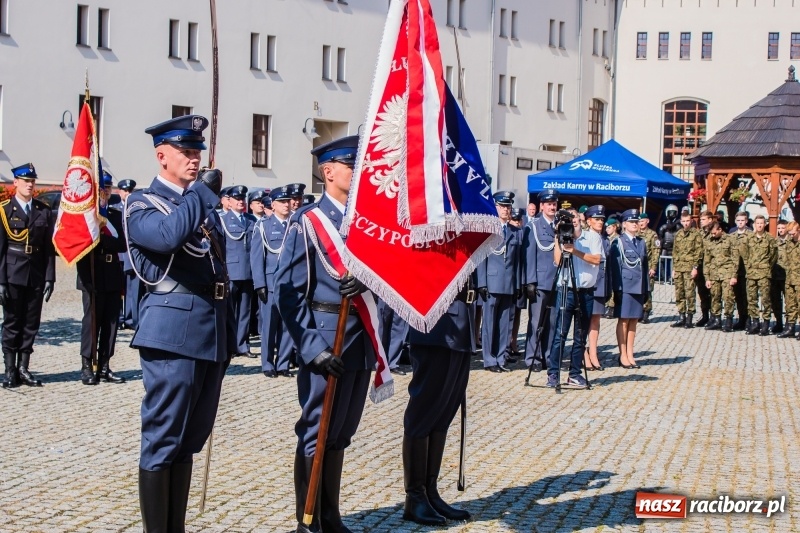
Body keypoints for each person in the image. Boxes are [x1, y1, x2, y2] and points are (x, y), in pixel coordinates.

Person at [126, 114, 229, 531]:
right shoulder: (142, 203)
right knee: (164, 439)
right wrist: (202, 193)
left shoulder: (196, 204)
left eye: (197, 153)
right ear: (161, 156)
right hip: (172, 333)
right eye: (185, 152)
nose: (194, 159)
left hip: (210, 330)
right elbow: (168, 236)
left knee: (190, 439)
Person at [274, 135, 374, 533]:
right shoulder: (309, 222)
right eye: (352, 165)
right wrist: (312, 348)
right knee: (317, 431)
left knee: (342, 432)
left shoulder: (363, 221)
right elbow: (289, 291)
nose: (359, 172)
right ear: (328, 171)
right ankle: (308, 519)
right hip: (325, 335)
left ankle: (330, 516)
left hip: (360, 336)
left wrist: (366, 284)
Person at [402, 291, 474, 526]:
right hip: (436, 321)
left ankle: (429, 491)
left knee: (443, 414)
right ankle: (415, 497)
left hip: (459, 320)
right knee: (423, 414)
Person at [0, 163, 55, 389]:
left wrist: (50, 277)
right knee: (12, 322)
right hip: (12, 273)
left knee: (31, 323)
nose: (30, 185)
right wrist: (0, 281)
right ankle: (10, 370)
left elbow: (49, 248)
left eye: (32, 181)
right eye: (26, 181)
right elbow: (0, 249)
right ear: (16, 183)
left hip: (36, 274)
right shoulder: (4, 210)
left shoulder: (43, 210)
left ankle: (24, 368)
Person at [76, 170, 127, 385]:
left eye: (108, 187)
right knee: (91, 321)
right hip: (92, 274)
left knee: (111, 322)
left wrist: (103, 241)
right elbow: (80, 247)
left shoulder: (114, 215)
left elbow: (122, 243)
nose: (105, 192)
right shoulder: (87, 216)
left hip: (112, 272)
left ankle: (105, 364)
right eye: (102, 188)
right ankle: (87, 365)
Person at [546, 206, 603, 388]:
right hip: (567, 291)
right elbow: (557, 261)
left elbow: (596, 260)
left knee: (580, 336)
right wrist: (558, 239)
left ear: (581, 219)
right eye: (569, 219)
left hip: (585, 293)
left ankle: (575, 374)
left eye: (575, 217)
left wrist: (575, 251)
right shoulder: (562, 236)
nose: (573, 221)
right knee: (559, 335)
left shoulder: (593, 237)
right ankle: (553, 374)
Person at [251, 186, 295, 378]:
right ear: (274, 204)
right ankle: (268, 363)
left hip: (291, 284)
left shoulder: (295, 225)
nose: (286, 205)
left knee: (287, 325)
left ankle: (283, 363)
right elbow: (256, 257)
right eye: (282, 202)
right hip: (270, 284)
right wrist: (259, 284)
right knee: (269, 326)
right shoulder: (263, 226)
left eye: (288, 201)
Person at [476, 190, 522, 373]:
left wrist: (517, 285)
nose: (506, 209)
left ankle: (501, 357)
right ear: (495, 207)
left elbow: (518, 261)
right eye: (502, 206)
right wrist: (481, 283)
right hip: (491, 281)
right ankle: (489, 359)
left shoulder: (515, 232)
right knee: (489, 323)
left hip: (509, 283)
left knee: (505, 322)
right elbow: (481, 258)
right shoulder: (489, 229)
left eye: (508, 206)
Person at [522, 189, 559, 372]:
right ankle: (532, 357)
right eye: (549, 204)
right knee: (536, 322)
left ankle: (547, 355)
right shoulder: (534, 226)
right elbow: (529, 255)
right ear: (541, 206)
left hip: (556, 282)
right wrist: (530, 281)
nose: (552, 207)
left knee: (552, 322)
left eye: (554, 204)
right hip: (540, 281)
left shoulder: (559, 226)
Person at [221, 185, 257, 358]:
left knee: (245, 310)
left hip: (248, 271)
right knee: (230, 310)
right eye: (237, 199)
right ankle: (229, 344)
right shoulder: (223, 220)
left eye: (243, 199)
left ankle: (242, 345)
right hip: (231, 270)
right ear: (229, 201)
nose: (241, 202)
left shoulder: (251, 220)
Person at [609, 209, 648, 369]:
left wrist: (647, 289)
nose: (635, 224)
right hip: (625, 287)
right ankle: (622, 354)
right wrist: (617, 289)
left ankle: (630, 353)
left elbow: (644, 267)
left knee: (633, 321)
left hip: (638, 287)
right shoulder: (618, 242)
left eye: (636, 222)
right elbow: (615, 267)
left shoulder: (641, 242)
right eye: (632, 222)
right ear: (624, 224)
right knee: (623, 321)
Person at [743, 215, 777, 336]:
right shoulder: (749, 238)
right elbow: (745, 255)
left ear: (765, 224)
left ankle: (766, 323)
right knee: (751, 298)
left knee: (765, 299)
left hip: (764, 273)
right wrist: (749, 266)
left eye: (762, 223)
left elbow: (773, 256)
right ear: (754, 224)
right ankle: (755, 322)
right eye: (757, 223)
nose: (759, 225)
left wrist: (766, 266)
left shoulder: (769, 239)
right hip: (751, 272)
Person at [585, 205, 610, 371]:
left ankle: (593, 352)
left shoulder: (605, 240)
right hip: (588, 283)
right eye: (596, 219)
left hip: (600, 283)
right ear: (588, 221)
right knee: (584, 321)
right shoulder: (585, 238)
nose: (600, 222)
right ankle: (583, 354)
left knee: (596, 320)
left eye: (602, 219)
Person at [670, 211, 703, 328]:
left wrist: (695, 267)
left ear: (691, 221)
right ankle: (681, 316)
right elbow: (675, 252)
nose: (685, 223)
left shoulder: (696, 234)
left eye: (687, 221)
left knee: (690, 293)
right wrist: (674, 268)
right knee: (679, 293)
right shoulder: (678, 234)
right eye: (683, 221)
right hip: (679, 268)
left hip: (689, 267)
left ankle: (689, 317)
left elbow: (698, 252)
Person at [703, 221, 738, 332]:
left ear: (720, 230)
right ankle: (716, 320)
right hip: (714, 273)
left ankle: (728, 320)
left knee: (728, 297)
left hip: (727, 273)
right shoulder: (710, 241)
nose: (712, 235)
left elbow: (735, 259)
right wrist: (707, 278)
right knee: (715, 297)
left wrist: (734, 275)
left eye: (714, 233)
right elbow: (707, 261)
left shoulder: (730, 240)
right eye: (711, 234)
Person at [116, 179, 141, 331]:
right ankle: (119, 318)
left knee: (133, 290)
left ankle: (132, 319)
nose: (128, 194)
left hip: (132, 256)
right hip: (119, 255)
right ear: (119, 192)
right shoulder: (115, 209)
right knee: (118, 288)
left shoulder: (136, 209)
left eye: (130, 191)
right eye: (125, 191)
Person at [729, 211, 752, 330]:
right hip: (735, 272)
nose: (740, 223)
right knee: (738, 297)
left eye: (742, 220)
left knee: (747, 297)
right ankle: (741, 319)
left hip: (747, 271)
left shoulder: (751, 235)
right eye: (738, 220)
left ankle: (748, 320)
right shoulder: (731, 235)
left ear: (746, 221)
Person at [694, 211, 716, 327]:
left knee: (713, 293)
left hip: (713, 268)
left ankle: (714, 317)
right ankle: (705, 315)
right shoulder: (699, 234)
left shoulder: (715, 232)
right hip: (701, 267)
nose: (701, 222)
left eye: (703, 219)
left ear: (710, 220)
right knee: (702, 293)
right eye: (700, 219)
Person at [638, 212, 660, 324]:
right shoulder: (635, 234)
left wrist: (653, 267)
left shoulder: (652, 234)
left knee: (647, 290)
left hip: (648, 267)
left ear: (647, 221)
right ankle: (638, 312)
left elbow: (656, 251)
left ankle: (646, 312)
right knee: (637, 290)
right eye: (639, 221)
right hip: (637, 268)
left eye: (642, 221)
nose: (641, 223)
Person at [378, 300, 410, 375]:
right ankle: (379, 361)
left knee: (400, 324)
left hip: (403, 291)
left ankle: (392, 363)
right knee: (382, 322)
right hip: (385, 290)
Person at [771, 219, 790, 335]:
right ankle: (779, 323)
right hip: (775, 276)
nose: (781, 230)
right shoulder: (774, 242)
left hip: (787, 276)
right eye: (779, 228)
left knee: (789, 302)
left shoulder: (792, 242)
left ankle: (789, 324)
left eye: (783, 228)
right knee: (776, 301)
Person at [783, 222, 800, 339]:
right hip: (790, 278)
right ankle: (790, 328)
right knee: (790, 304)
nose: (791, 235)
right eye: (789, 233)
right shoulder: (789, 242)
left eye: (793, 233)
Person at [602, 218, 620, 318]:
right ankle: (607, 306)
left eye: (609, 227)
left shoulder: (618, 239)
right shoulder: (606, 239)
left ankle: (612, 308)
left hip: (615, 266)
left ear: (614, 227)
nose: (607, 229)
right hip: (607, 265)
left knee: (613, 287)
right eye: (606, 228)